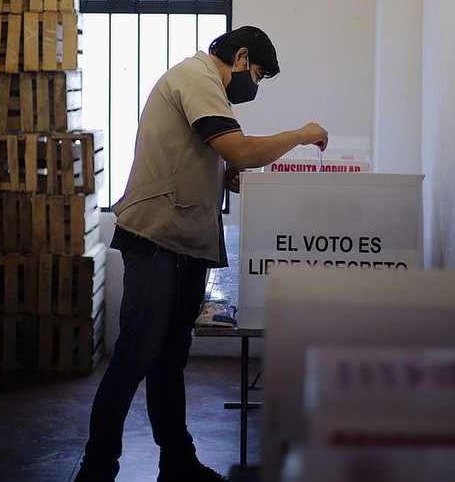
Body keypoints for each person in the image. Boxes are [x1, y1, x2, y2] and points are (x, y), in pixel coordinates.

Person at [74, 26, 329, 482]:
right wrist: (301, 134)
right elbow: (240, 150)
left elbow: (208, 154)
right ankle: (96, 470)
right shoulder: (196, 78)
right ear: (241, 56)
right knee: (135, 356)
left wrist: (220, 176)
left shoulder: (211, 90)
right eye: (257, 74)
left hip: (183, 242)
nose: (254, 84)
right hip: (156, 238)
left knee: (170, 360)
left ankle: (177, 461)